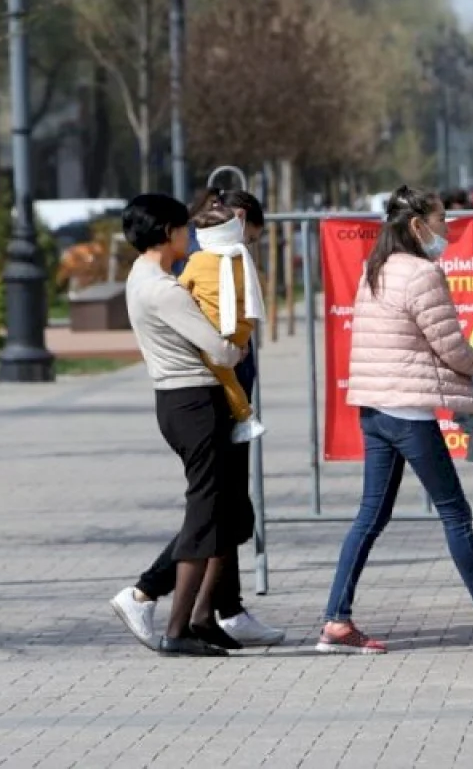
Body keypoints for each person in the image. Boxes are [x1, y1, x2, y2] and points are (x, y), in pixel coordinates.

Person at [316, 185, 473, 654]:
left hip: (375, 410)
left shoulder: (375, 269)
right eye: (441, 220)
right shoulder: (423, 274)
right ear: (416, 226)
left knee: (370, 516)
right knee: (455, 514)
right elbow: (454, 352)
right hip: (407, 414)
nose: (447, 229)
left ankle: (336, 620)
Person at [112, 188, 286, 650]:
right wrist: (238, 346)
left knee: (222, 510)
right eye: (184, 229)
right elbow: (220, 347)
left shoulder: (141, 276)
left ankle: (206, 615)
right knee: (205, 513)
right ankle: (172, 624)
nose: (189, 237)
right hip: (194, 403)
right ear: (168, 232)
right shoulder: (164, 290)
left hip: (181, 402)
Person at [179, 201, 266, 443]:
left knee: (224, 373)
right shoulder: (243, 258)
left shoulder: (198, 261)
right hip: (242, 330)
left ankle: (245, 417)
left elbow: (181, 288)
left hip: (218, 330)